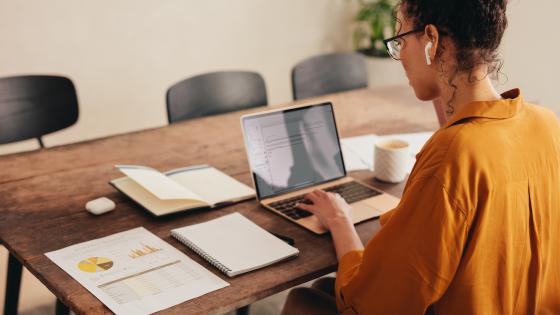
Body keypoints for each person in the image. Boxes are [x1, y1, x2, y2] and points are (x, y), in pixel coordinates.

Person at [281, 0, 560, 314]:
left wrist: (338, 219)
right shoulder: (545, 123)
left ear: (432, 40)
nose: (399, 56)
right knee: (322, 289)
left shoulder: (452, 155)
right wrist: (444, 91)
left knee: (302, 301)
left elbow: (374, 303)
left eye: (400, 40)